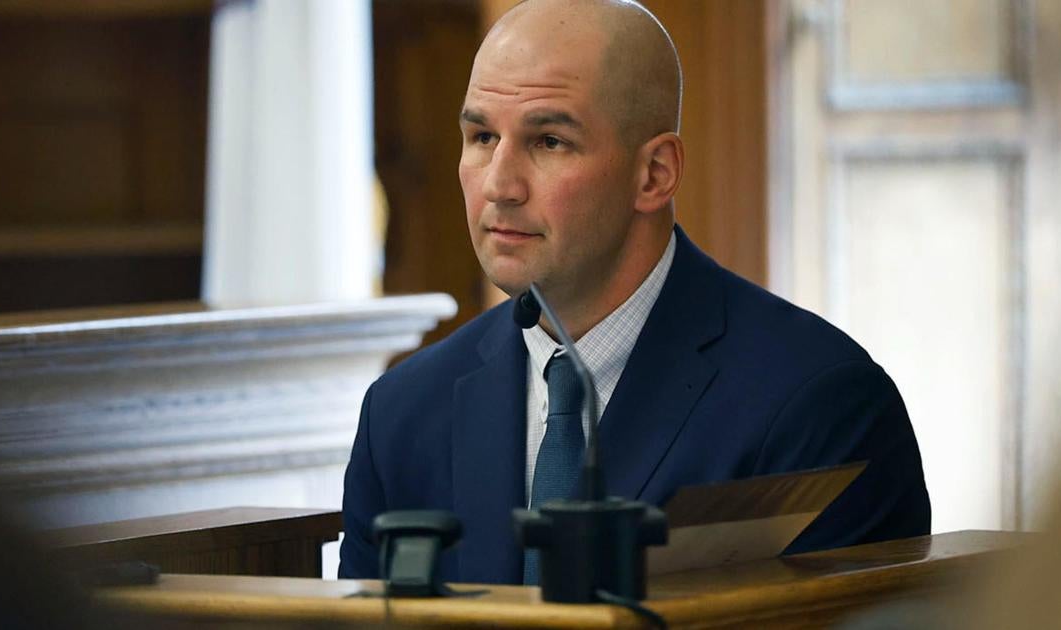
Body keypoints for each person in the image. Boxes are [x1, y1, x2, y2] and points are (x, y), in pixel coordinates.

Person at [340, 0, 929, 584]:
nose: (499, 185)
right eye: (482, 136)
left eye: (549, 141)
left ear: (654, 174)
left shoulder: (819, 402)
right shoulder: (401, 413)